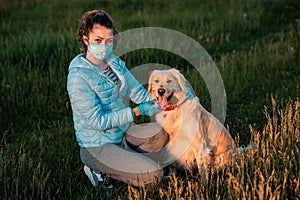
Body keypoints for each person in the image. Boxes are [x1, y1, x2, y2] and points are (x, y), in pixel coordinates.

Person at [67, 9, 169, 188]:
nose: (104, 47)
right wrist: (136, 112)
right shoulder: (79, 77)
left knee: (159, 135)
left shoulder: (114, 63)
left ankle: (126, 160)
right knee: (155, 176)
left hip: (120, 136)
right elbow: (97, 121)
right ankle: (98, 170)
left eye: (108, 41)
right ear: (86, 39)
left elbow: (138, 92)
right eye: (98, 41)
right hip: (97, 147)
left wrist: (159, 102)